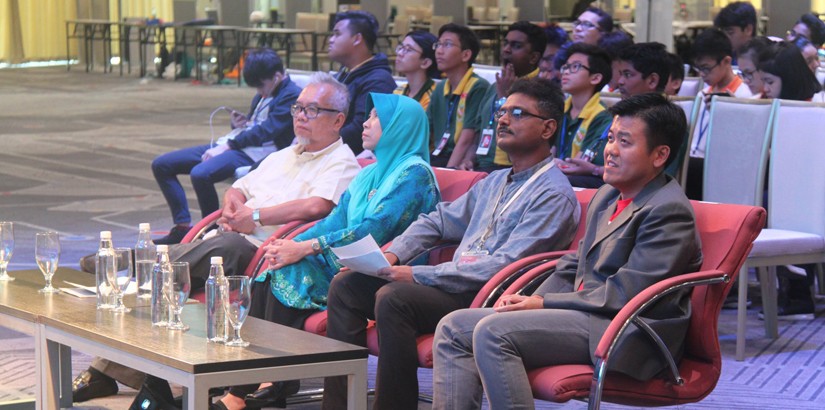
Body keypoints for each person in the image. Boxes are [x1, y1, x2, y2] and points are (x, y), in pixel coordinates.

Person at [71, 72, 362, 404]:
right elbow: (240, 186)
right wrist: (231, 205)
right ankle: (109, 368)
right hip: (229, 239)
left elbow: (318, 205)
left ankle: (135, 262)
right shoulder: (286, 154)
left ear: (338, 120)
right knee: (164, 282)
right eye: (298, 108)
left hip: (262, 252)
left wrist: (253, 217)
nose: (300, 116)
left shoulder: (342, 163)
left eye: (312, 110)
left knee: (195, 261)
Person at [322, 77, 581, 410]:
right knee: (347, 285)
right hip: (453, 285)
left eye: (517, 113)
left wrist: (417, 275)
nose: (502, 120)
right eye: (501, 112)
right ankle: (340, 405)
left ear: (547, 129)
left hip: (490, 297)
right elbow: (439, 220)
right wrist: (392, 253)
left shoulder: (553, 194)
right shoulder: (497, 180)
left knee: (395, 297)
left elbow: (504, 264)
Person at [431, 93, 703, 409]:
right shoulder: (608, 195)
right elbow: (574, 264)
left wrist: (543, 302)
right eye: (611, 138)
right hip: (585, 314)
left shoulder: (668, 211)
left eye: (625, 143)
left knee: (493, 333)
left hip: (628, 329)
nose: (611, 150)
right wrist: (525, 303)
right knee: (453, 328)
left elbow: (625, 293)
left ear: (660, 155)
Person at [213, 92, 441, 410]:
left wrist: (306, 247)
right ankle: (249, 383)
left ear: (399, 127)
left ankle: (257, 387)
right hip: (347, 260)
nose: (365, 122)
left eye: (376, 117)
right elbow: (333, 220)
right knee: (275, 262)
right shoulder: (370, 172)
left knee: (290, 271)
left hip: (387, 267)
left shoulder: (414, 174)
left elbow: (375, 229)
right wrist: (291, 244)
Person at [150, 48, 302, 244]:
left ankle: (210, 232)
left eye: (261, 86)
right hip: (237, 143)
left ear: (277, 76)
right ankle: (182, 226)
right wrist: (239, 124)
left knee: (200, 173)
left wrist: (229, 145)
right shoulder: (265, 92)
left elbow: (267, 131)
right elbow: (254, 124)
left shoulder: (291, 95)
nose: (259, 91)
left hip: (255, 152)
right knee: (162, 164)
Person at [756, 42, 823, 321]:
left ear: (790, 78)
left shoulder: (817, 107)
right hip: (795, 187)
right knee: (764, 197)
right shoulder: (772, 105)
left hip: (814, 190)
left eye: (770, 82)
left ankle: (796, 290)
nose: (765, 88)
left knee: (778, 198)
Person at [470, 21, 546, 173]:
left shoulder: (540, 91)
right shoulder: (494, 86)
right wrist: (468, 160)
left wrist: (505, 96)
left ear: (533, 57)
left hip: (512, 170)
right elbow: (477, 130)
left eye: (516, 46)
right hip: (480, 166)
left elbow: (523, 137)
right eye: (505, 44)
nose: (506, 50)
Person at [687, 28, 753, 200]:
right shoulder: (702, 94)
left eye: (706, 68)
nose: (702, 74)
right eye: (698, 68)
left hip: (721, 168)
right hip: (694, 163)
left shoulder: (744, 95)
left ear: (726, 61)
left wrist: (730, 111)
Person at [329, 10, 398, 155]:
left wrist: (320, 141)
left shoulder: (379, 81)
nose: (330, 40)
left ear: (357, 39)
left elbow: (360, 130)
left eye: (337, 34)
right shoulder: (344, 74)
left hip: (353, 160)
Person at [427, 23, 490, 168]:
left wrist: (448, 173)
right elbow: (425, 127)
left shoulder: (477, 86)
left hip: (458, 159)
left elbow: (467, 139)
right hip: (438, 155)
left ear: (466, 55)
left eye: (447, 45)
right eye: (438, 44)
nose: (439, 51)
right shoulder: (440, 87)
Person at [555, 43, 613, 188]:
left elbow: (581, 163)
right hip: (559, 173)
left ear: (595, 78)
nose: (566, 72)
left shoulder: (602, 116)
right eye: (566, 67)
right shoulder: (559, 109)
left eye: (575, 67)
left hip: (585, 181)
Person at [393, 30, 440, 111]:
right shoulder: (398, 91)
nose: (400, 53)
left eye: (408, 49)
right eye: (401, 47)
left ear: (425, 63)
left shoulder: (434, 97)